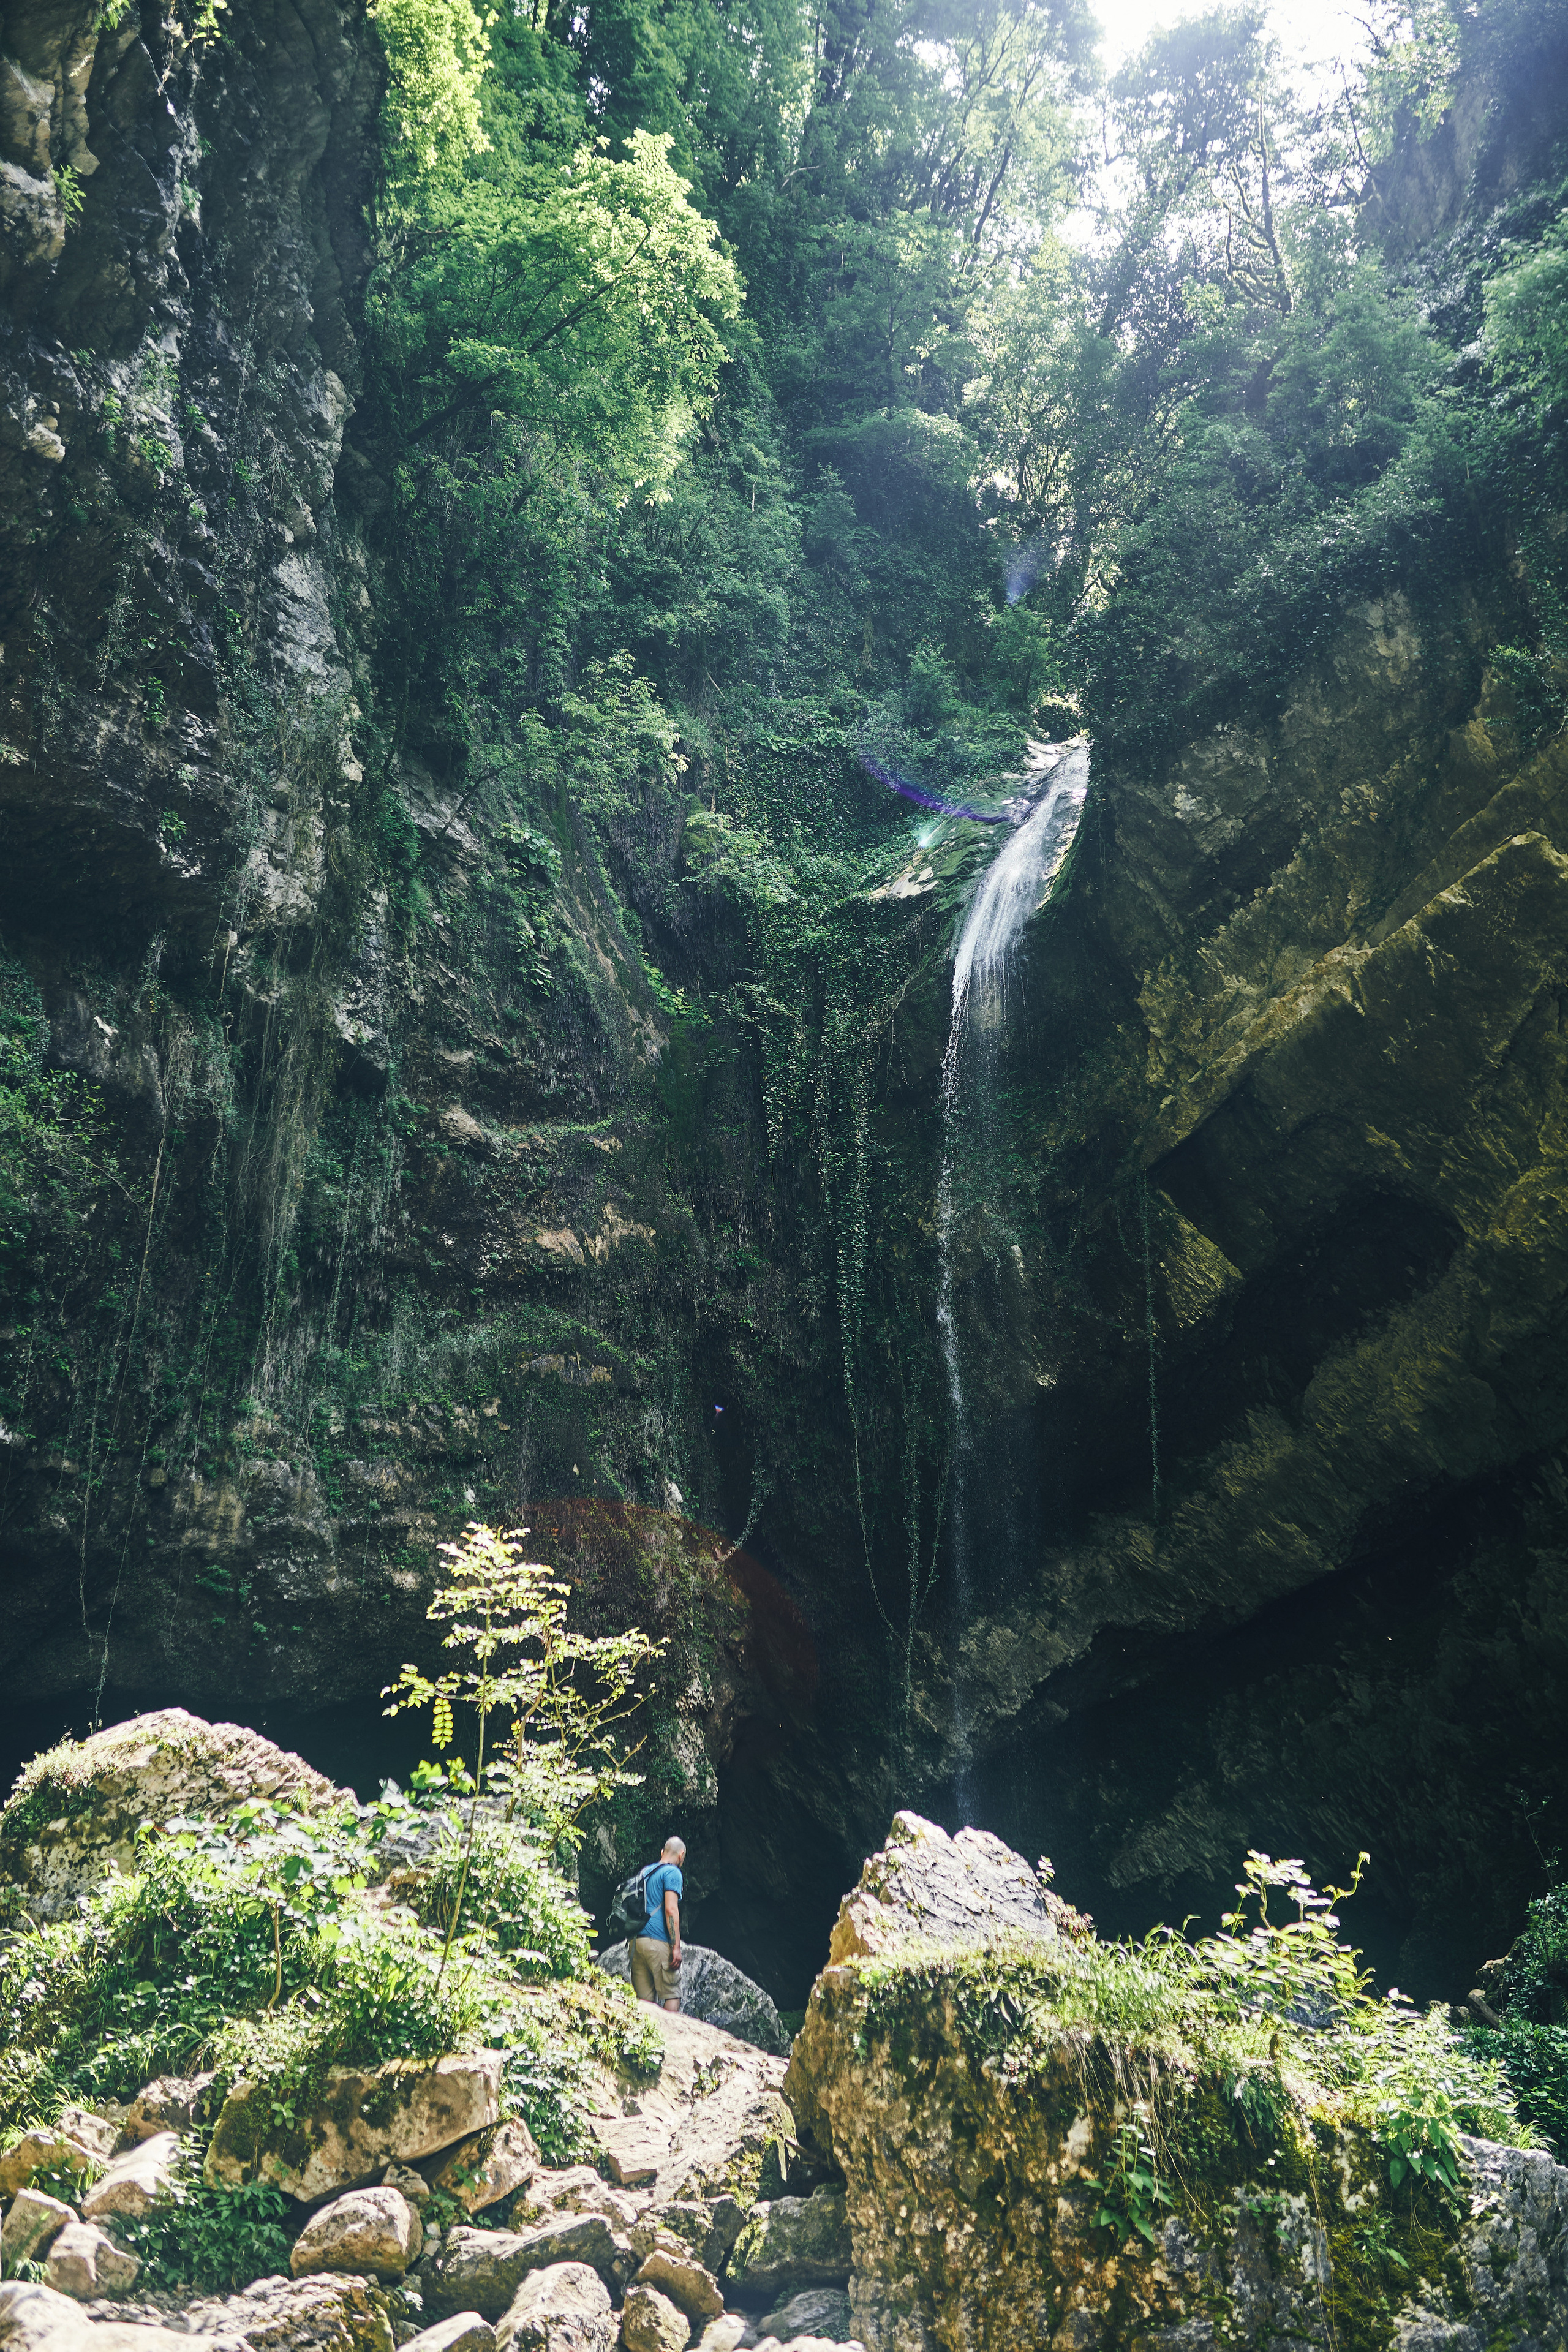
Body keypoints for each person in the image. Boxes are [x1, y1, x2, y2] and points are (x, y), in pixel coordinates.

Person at [630, 1835, 685, 2011]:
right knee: (672, 1994)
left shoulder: (645, 1872)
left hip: (636, 1942)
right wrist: (676, 1947)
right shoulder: (673, 1872)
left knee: (645, 2003)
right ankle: (669, 2040)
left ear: (662, 1852)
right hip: (658, 1941)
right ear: (681, 1855)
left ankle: (648, 2038)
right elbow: (671, 1909)